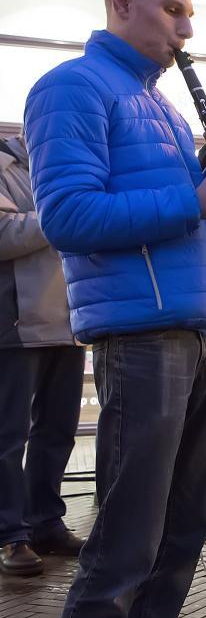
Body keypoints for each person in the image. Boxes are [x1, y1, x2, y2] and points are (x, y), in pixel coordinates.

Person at [25, 0, 206, 618]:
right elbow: (67, 217)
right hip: (141, 337)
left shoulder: (163, 107)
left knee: (183, 534)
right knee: (127, 545)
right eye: (172, 10)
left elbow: (189, 227)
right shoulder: (71, 87)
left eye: (190, 14)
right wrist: (196, 196)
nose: (186, 29)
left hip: (198, 331)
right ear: (122, 2)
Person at [0, 134, 86, 577]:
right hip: (18, 322)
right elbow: (3, 234)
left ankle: (45, 523)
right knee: (8, 438)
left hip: (68, 322)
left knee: (57, 432)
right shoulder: (4, 166)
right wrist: (64, 215)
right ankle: (9, 533)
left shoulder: (70, 167)